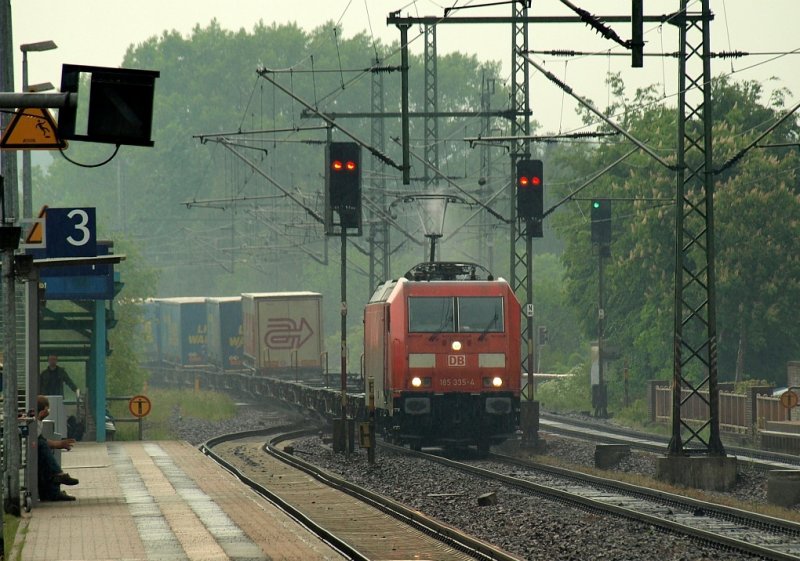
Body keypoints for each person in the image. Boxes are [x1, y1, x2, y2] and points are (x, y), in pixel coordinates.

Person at [36, 395, 79, 501]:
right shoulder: (34, 422)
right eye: (48, 408)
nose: (49, 411)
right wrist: (57, 444)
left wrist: (59, 444)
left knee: (44, 449)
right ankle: (58, 475)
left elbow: (41, 439)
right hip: (30, 452)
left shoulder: (38, 422)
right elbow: (37, 441)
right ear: (44, 409)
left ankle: (54, 490)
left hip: (36, 453)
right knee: (42, 447)